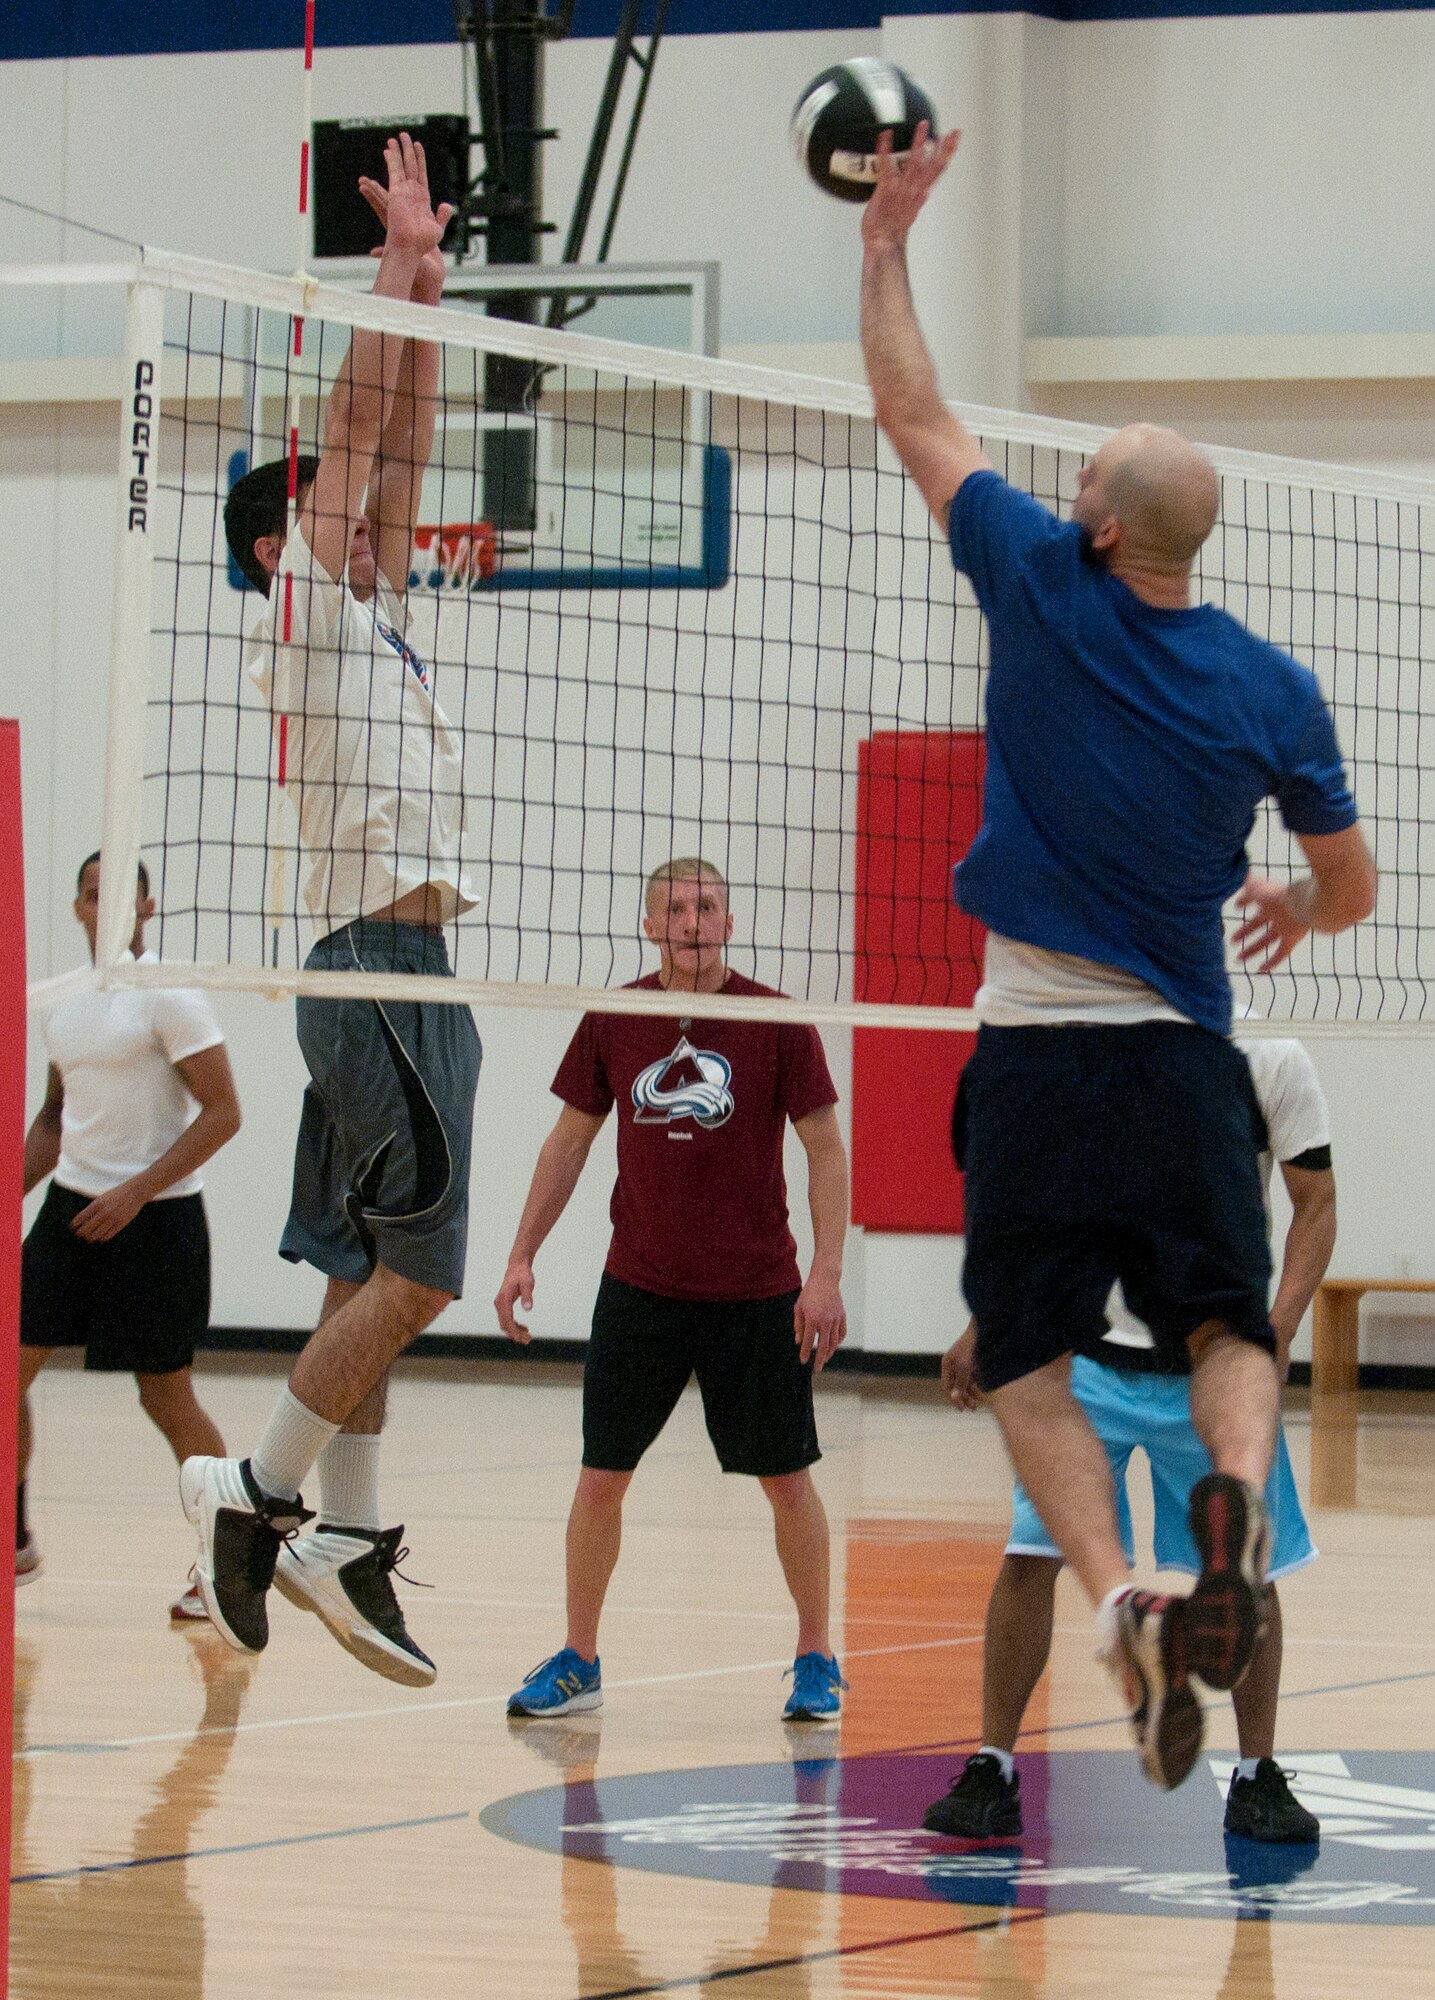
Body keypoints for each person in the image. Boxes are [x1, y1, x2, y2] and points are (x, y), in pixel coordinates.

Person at [858, 126, 1377, 1788]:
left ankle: (1124, 1602)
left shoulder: (1037, 582)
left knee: (1020, 1365)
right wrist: (1296, 906)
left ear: (1092, 519)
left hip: (1030, 1062)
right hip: (1180, 1060)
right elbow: (1349, 885)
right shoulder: (1269, 688)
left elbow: (916, 409)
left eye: (1083, 470)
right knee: (1230, 1332)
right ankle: (1222, 1542)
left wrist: (885, 244)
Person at [181, 134, 479, 1689]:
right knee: (421, 1277)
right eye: (334, 505)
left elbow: (402, 439)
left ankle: (350, 1535)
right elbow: (360, 426)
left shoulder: (381, 617)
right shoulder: (303, 611)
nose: (368, 514)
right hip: (376, 964)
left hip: (412, 966)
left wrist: (427, 291)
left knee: (371, 1274)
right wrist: (377, 287)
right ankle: (257, 1495)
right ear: (279, 541)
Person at [925, 1037, 1336, 1844]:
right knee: (1028, 1557)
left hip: (1211, 1364)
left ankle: (1256, 1775)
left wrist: (1275, 1330)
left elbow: (1314, 1203)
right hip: (1092, 1364)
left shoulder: (1268, 1061)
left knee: (1250, 1567)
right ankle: (992, 1764)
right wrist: (987, 1323)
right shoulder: (1085, 1053)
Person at [495, 858, 850, 1722]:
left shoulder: (774, 1020)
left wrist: (825, 1275)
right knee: (599, 1480)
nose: (692, 921)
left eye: (707, 907)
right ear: (650, 926)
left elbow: (826, 1150)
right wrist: (520, 1255)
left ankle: (815, 1656)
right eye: (675, 910)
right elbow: (568, 1143)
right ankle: (579, 1657)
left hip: (756, 1293)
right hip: (640, 1289)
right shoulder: (619, 1014)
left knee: (787, 1481)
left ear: (728, 920)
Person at [20, 854, 240, 1620]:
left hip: (158, 1219)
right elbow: (54, 1118)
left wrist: (136, 1192)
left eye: (119, 896)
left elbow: (223, 1112)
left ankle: (227, 1563)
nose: (104, 906)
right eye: (91, 894)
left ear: (147, 909)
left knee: (165, 1395)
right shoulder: (64, 1003)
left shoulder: (169, 997)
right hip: (71, 1208)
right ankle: (15, 1535)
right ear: (77, 908)